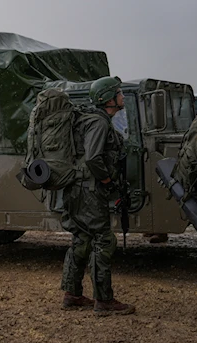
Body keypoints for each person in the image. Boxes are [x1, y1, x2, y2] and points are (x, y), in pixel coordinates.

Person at [60, 76, 136, 316]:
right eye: (119, 93)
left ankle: (72, 294)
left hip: (78, 189)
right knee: (104, 241)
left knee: (82, 239)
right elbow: (93, 157)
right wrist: (107, 180)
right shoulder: (99, 123)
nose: (122, 97)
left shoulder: (90, 120)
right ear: (109, 99)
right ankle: (104, 301)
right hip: (90, 190)